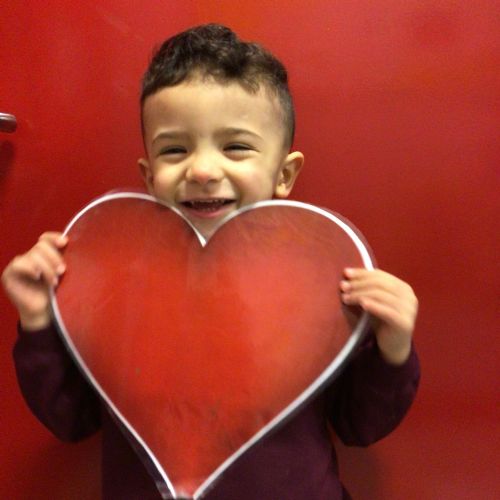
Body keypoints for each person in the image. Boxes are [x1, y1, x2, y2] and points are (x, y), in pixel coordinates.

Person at [1, 24, 419, 499]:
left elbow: (358, 425)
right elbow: (71, 420)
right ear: (149, 176)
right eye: (174, 149)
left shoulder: (323, 282)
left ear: (284, 174)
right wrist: (39, 322)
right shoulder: (117, 284)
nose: (201, 170)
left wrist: (392, 349)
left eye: (235, 147)